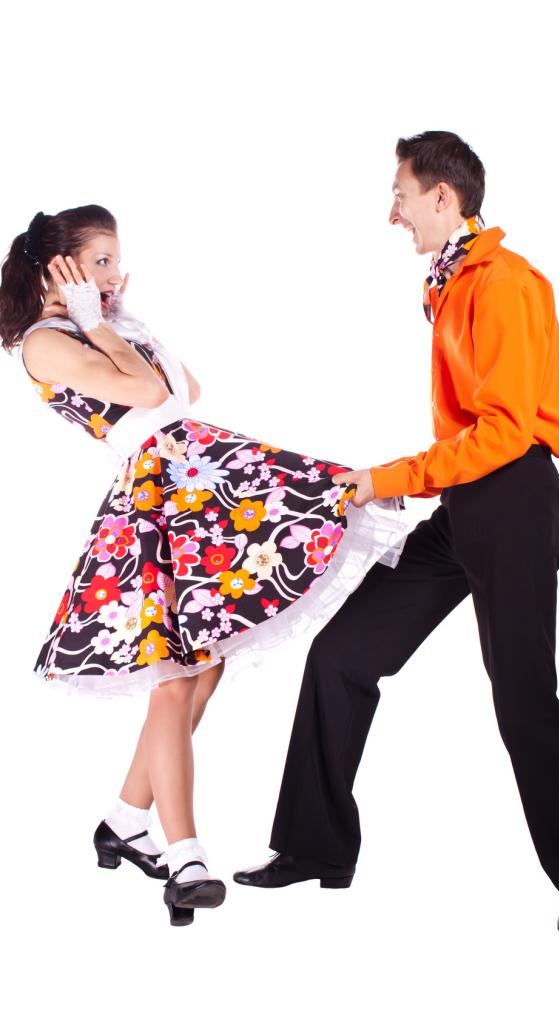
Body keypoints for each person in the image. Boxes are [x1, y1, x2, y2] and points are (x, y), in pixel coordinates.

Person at [233, 130, 559, 937]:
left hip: (512, 501)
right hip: (466, 507)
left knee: (522, 699)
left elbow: (511, 430)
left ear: (444, 198)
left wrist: (387, 478)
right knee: (341, 657)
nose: (393, 213)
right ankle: (316, 846)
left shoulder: (504, 280)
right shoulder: (451, 280)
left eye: (401, 195)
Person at [0, 205, 410, 927]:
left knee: (206, 664)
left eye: (115, 261)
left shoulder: (108, 324)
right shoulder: (43, 343)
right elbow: (151, 397)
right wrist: (97, 321)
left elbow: (189, 386)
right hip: (156, 502)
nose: (113, 275)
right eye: (97, 262)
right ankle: (185, 855)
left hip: (199, 480)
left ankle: (127, 819)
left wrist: (119, 315)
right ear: (54, 271)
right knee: (178, 673)